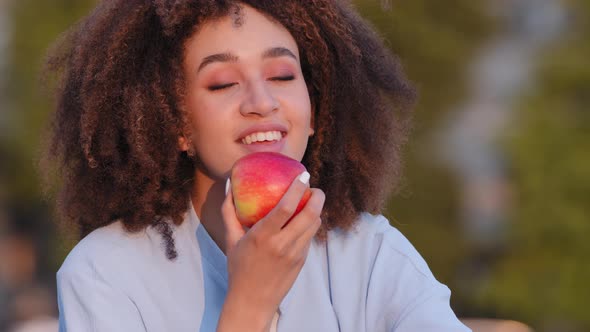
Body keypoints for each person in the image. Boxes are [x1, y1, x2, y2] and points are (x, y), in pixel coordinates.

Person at [42, 0, 470, 331]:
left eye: (283, 75)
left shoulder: (373, 254)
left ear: (317, 109)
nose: (262, 103)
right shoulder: (104, 274)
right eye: (223, 83)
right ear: (174, 124)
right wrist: (249, 306)